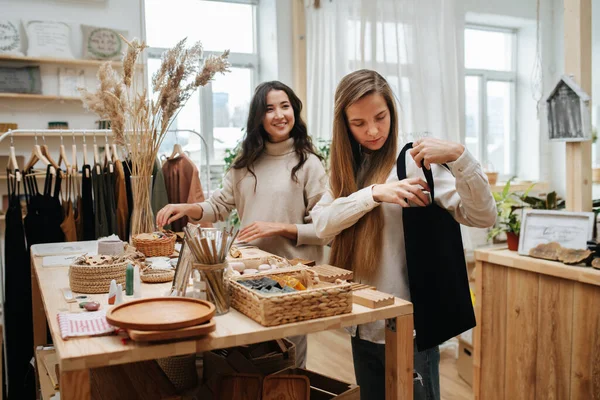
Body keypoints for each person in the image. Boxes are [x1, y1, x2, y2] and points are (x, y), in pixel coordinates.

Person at [310, 69, 496, 400]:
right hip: (362, 323)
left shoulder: (414, 161)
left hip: (409, 327)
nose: (372, 130)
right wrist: (374, 194)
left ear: (392, 112)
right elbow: (322, 223)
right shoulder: (348, 168)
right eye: (359, 123)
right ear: (344, 125)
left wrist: (460, 157)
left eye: (380, 117)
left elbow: (483, 217)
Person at [156, 80, 330, 368]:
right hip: (246, 275)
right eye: (270, 109)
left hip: (293, 279)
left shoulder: (308, 163)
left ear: (295, 112)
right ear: (258, 117)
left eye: (285, 106)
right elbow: (220, 206)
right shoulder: (245, 162)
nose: (279, 115)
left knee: (288, 360)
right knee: (251, 357)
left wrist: (278, 227)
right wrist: (186, 207)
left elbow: (324, 231)